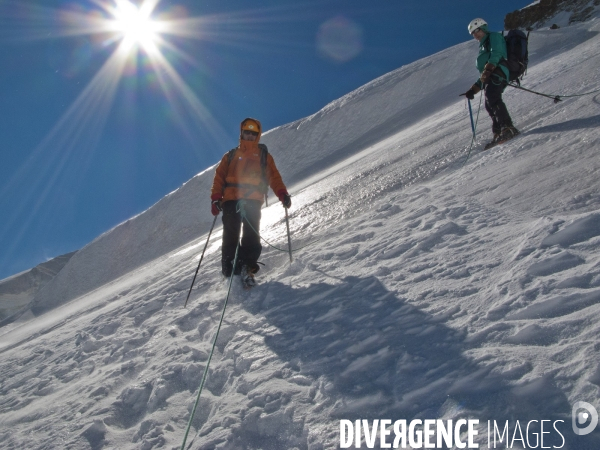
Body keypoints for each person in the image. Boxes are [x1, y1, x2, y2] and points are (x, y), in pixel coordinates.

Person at [210, 118, 291, 286]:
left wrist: (282, 193)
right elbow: (219, 177)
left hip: (253, 200)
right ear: (242, 133)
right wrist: (216, 198)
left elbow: (273, 177)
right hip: (231, 200)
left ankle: (247, 266)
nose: (249, 135)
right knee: (231, 234)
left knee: (251, 234)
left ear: (257, 136)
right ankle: (230, 268)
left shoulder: (264, 156)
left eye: (253, 133)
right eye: (247, 132)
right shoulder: (230, 156)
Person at [461, 18, 519, 148]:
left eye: (477, 30)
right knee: (489, 104)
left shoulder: (493, 36)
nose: (475, 34)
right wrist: (473, 89)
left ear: (484, 28)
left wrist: (489, 68)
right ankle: (498, 133)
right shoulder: (483, 45)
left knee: (493, 97)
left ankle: (508, 128)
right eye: (472, 33)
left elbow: (497, 53)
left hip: (498, 71)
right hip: (492, 74)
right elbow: (483, 76)